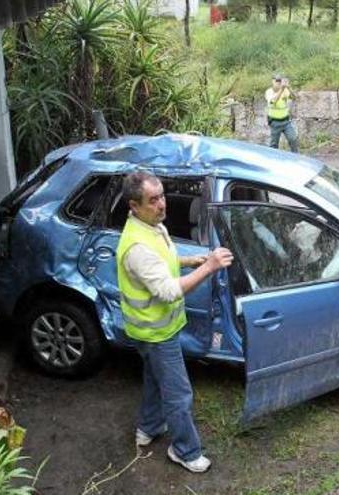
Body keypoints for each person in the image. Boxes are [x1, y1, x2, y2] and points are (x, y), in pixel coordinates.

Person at [115, 171, 234, 473]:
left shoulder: (149, 226)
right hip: (156, 333)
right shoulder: (137, 247)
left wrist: (186, 261)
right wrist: (208, 266)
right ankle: (185, 450)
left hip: (149, 329)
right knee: (179, 394)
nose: (162, 204)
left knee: (155, 380)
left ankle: (148, 427)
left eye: (162, 196)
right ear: (134, 205)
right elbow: (168, 291)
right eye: (153, 200)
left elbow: (162, 260)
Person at [265, 74, 299, 153]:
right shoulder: (269, 92)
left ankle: (295, 156)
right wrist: (282, 89)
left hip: (286, 121)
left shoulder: (285, 90)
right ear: (272, 81)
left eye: (280, 81)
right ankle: (273, 160)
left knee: (293, 138)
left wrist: (289, 88)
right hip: (275, 122)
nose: (278, 83)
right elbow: (273, 101)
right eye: (277, 81)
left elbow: (294, 98)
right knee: (274, 145)